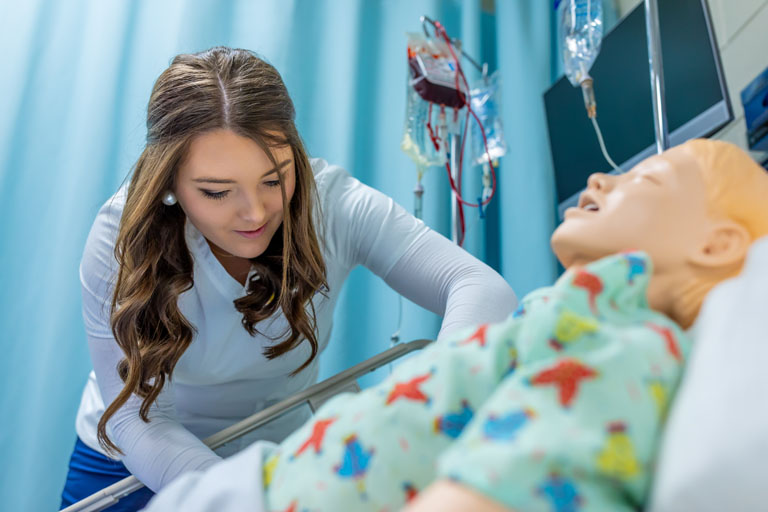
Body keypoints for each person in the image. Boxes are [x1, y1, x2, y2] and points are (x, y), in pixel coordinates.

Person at [142, 138, 768, 512]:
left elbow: (507, 484)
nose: (602, 177)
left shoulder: (624, 345)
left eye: (647, 178)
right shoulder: (573, 321)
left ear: (717, 245)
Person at [59, 46, 517, 511]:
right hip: (130, 461)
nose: (255, 213)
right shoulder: (121, 238)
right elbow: (142, 420)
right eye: (217, 192)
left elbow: (478, 286)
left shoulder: (332, 204)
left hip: (277, 455)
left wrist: (436, 410)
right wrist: (245, 498)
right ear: (170, 182)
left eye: (275, 179)